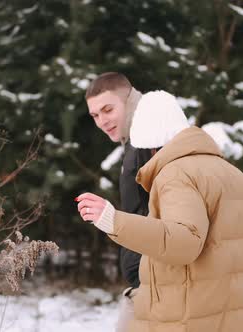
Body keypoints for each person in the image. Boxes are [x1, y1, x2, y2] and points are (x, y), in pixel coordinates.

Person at [76, 89, 243, 331]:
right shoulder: (232, 174)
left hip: (196, 318)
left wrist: (113, 220)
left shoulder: (176, 174)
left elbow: (184, 241)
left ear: (149, 146)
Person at [84, 72, 153, 330]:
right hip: (144, 284)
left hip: (156, 286)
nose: (102, 121)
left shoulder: (148, 143)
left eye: (108, 109)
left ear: (129, 100)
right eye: (95, 115)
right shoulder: (135, 144)